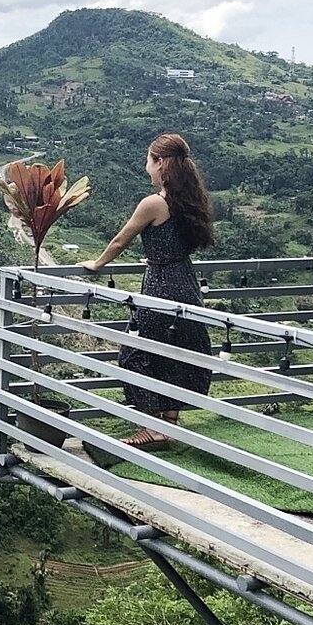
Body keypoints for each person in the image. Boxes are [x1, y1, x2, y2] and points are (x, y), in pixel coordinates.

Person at [79, 133, 214, 450]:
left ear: (161, 163)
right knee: (175, 351)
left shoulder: (154, 203)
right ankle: (168, 423)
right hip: (185, 281)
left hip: (161, 288)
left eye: (149, 161)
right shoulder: (187, 201)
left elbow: (119, 241)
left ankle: (151, 426)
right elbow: (176, 243)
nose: (146, 168)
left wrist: (97, 263)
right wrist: (157, 256)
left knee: (134, 353)